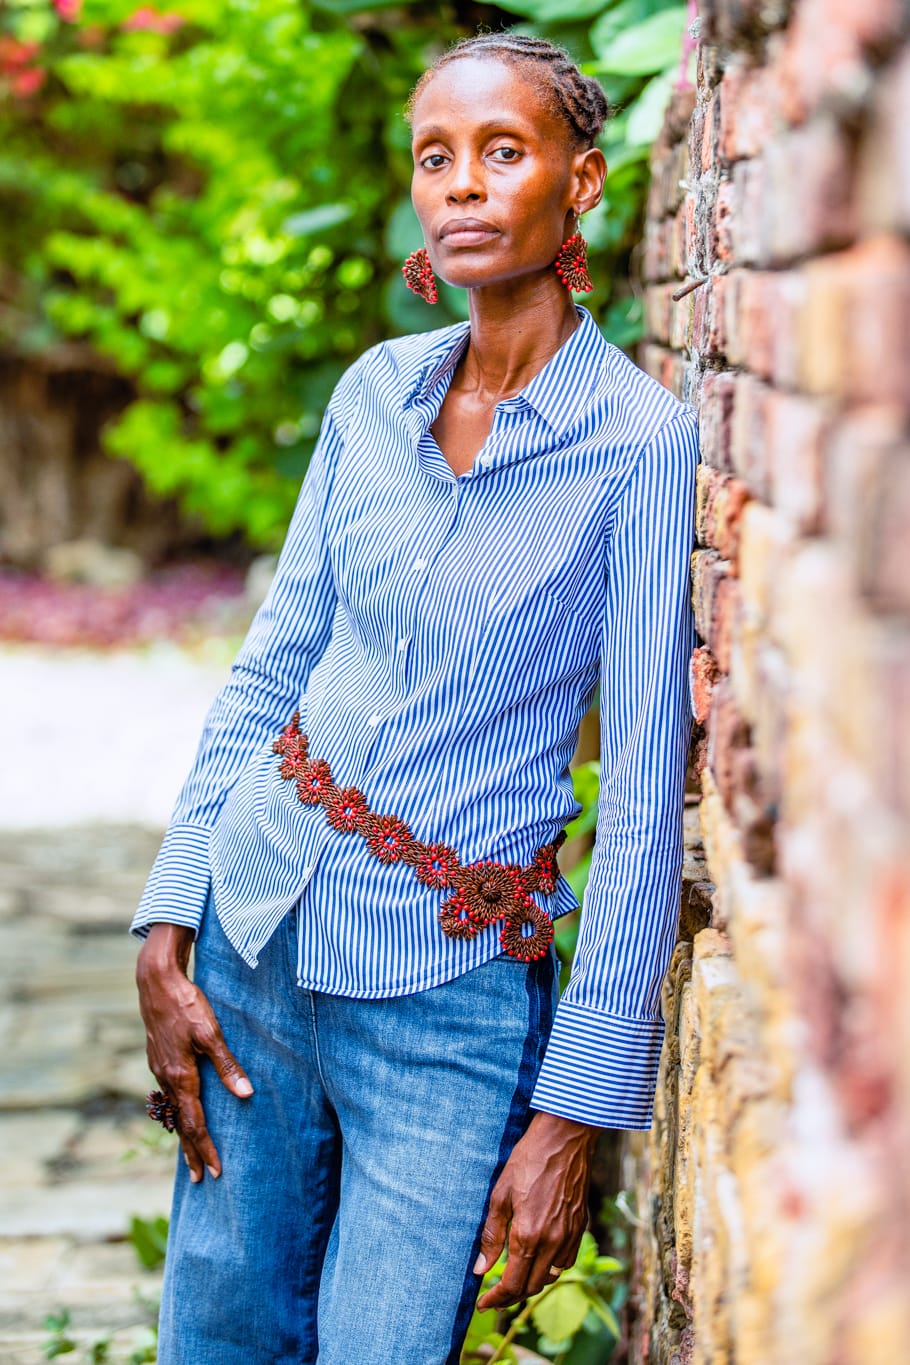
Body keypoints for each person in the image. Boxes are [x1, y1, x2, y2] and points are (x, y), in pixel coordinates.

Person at [132, 30, 699, 1365]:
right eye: (434, 156)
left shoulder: (639, 447)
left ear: (582, 183)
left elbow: (639, 801)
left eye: (501, 152)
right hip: (253, 933)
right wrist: (172, 908)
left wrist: (571, 1116)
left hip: (446, 988)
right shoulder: (372, 395)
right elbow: (276, 658)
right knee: (215, 1335)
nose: (458, 183)